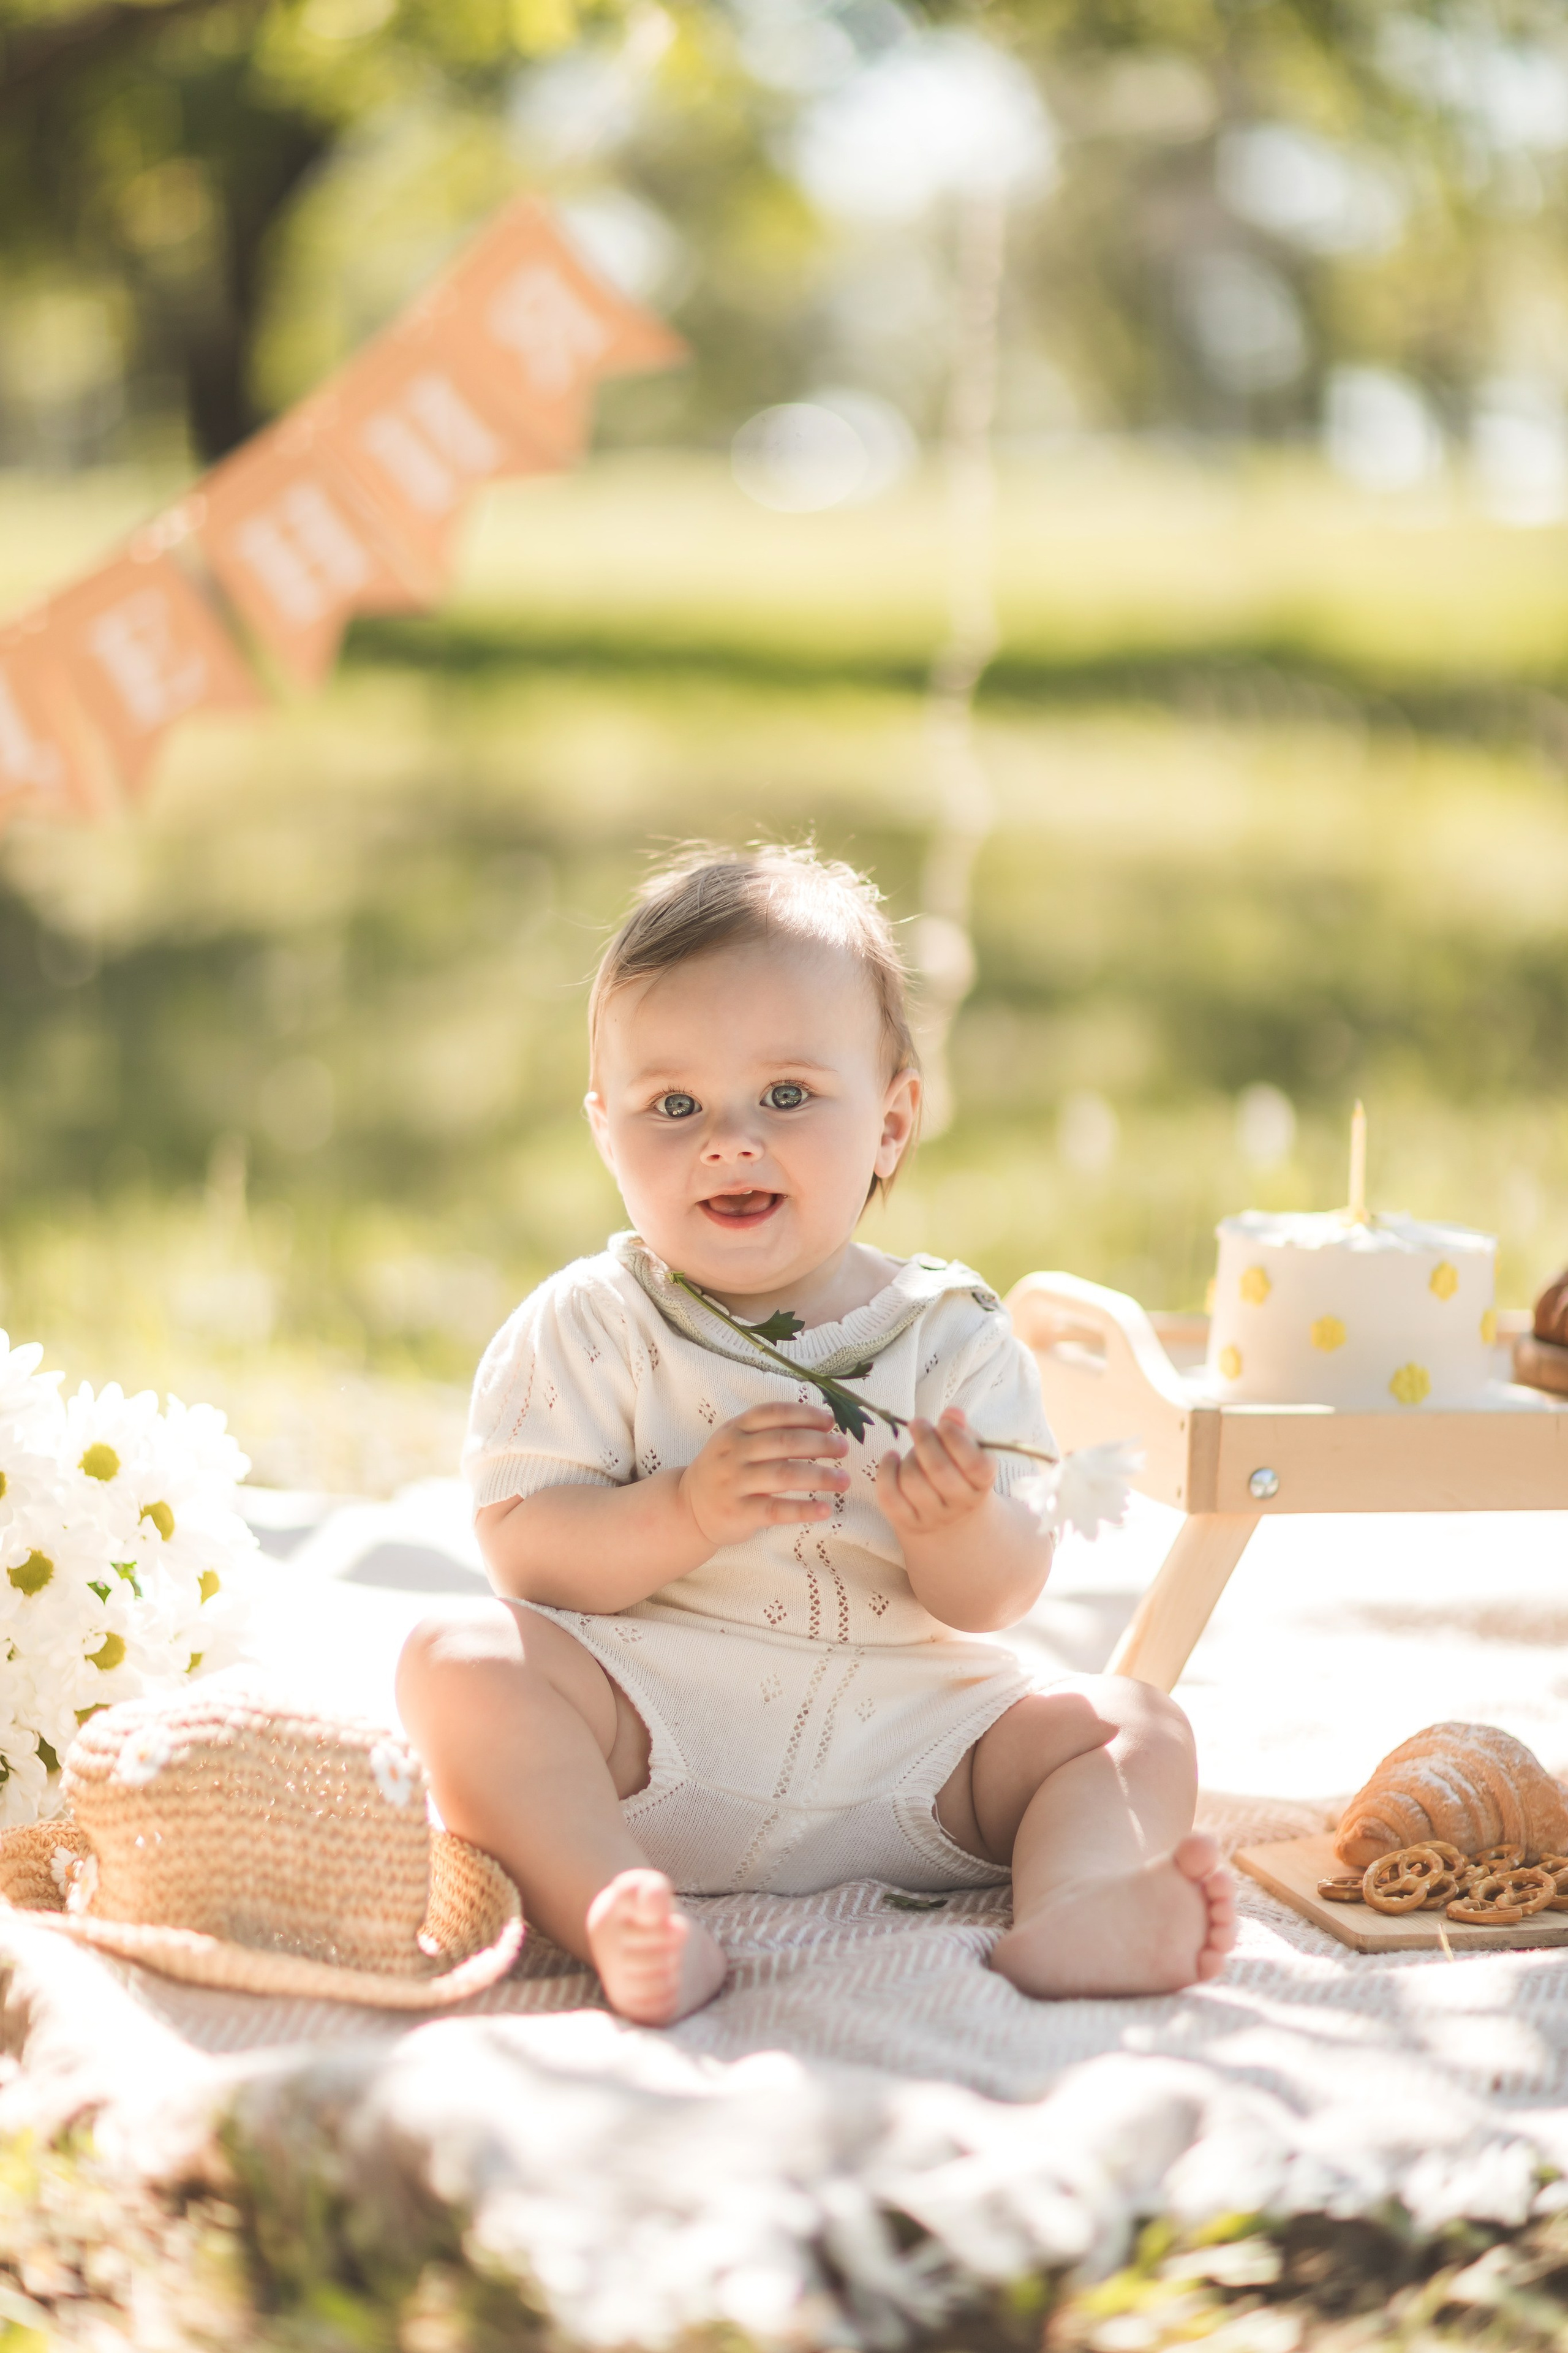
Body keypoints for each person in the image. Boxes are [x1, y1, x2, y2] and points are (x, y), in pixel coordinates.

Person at [398, 846, 1236, 2025]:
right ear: (605, 1128)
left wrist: (960, 1527)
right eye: (674, 1105)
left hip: (911, 1747)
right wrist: (680, 1511)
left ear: (893, 1122)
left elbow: (998, 1596)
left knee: (1133, 1725)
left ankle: (1080, 1906)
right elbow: (525, 1555)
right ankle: (614, 1905)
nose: (730, 1140)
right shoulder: (594, 1324)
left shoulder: (952, 1334)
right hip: (651, 1732)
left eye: (786, 1096)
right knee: (457, 1659)